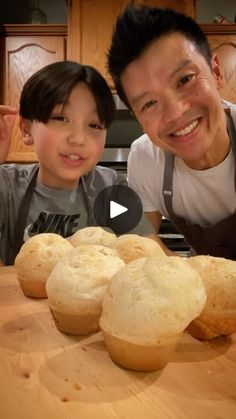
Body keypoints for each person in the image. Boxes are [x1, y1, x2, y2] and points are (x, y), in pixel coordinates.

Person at [107, 4, 236, 260]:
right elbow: (143, 241)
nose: (176, 113)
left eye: (184, 79)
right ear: (137, 118)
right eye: (149, 103)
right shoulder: (145, 158)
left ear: (217, 73)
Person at [0, 60, 158, 266]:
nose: (78, 139)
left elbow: (148, 252)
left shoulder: (111, 190)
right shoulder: (7, 188)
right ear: (27, 130)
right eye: (60, 118)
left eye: (94, 124)